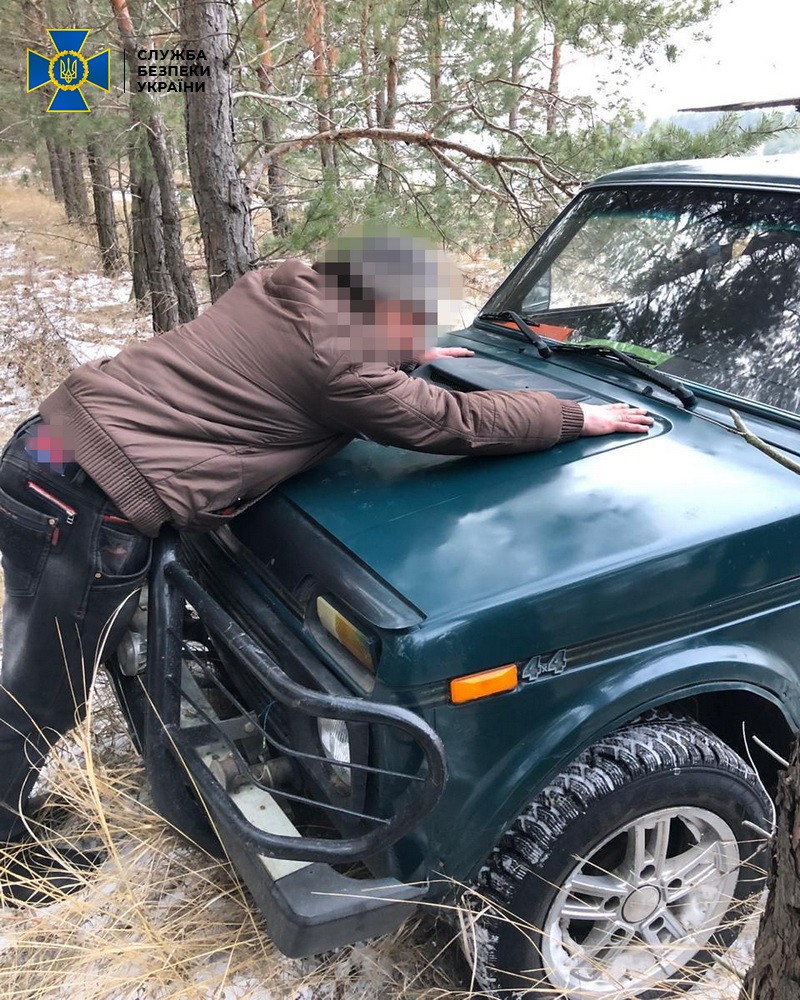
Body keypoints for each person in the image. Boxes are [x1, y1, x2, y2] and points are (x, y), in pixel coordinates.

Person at [0, 234, 652, 905]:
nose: (422, 332)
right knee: (42, 690)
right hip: (83, 501)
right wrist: (575, 416)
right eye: (413, 321)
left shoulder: (279, 290)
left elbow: (327, 358)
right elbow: (449, 421)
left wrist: (406, 354)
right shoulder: (341, 366)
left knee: (34, 659)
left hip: (48, 451)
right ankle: (9, 856)